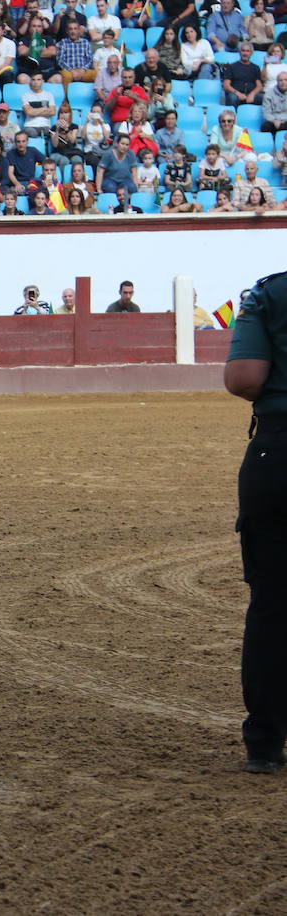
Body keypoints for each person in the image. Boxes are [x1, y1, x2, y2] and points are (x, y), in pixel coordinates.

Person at [224, 267, 287, 773]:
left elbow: (243, 379)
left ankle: (265, 742)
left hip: (278, 452)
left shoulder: (271, 292)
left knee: (273, 605)